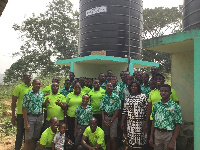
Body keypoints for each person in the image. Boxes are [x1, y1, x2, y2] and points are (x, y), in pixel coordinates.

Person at [144, 73, 179, 150]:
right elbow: (149, 109)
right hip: (155, 122)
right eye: (156, 79)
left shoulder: (172, 91)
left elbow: (176, 110)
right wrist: (146, 123)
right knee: (152, 144)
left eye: (160, 79)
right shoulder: (152, 93)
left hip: (169, 126)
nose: (158, 80)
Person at [149, 84, 182, 150]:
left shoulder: (175, 106)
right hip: (157, 134)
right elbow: (154, 120)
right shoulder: (156, 105)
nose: (163, 93)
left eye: (166, 91)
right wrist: (151, 137)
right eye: (161, 91)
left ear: (170, 93)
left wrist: (172, 141)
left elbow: (178, 124)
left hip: (169, 134)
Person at [121, 81, 148, 150]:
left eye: (135, 86)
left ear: (138, 87)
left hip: (140, 123)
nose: (133, 87)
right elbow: (124, 111)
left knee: (140, 144)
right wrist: (122, 122)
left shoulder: (143, 97)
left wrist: (146, 123)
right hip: (130, 123)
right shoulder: (127, 98)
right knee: (131, 143)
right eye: (132, 86)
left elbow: (147, 111)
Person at [11, 72, 32, 150]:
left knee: (28, 135)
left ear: (31, 77)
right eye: (25, 76)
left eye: (28, 76)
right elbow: (13, 102)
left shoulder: (34, 87)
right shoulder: (18, 88)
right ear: (23, 78)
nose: (27, 77)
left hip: (31, 114)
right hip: (21, 114)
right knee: (20, 134)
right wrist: (13, 116)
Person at [22, 79, 44, 150]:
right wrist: (26, 122)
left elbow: (41, 105)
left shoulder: (41, 94)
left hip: (39, 118)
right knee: (28, 138)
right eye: (36, 84)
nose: (38, 85)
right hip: (30, 118)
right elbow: (24, 108)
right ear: (32, 84)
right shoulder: (27, 95)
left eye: (39, 84)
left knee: (35, 138)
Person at [99, 82, 121, 150]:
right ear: (105, 88)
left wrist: (111, 120)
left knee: (112, 138)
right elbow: (102, 109)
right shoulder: (104, 97)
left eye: (110, 86)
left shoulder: (116, 97)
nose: (109, 87)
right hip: (105, 118)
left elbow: (118, 109)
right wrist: (103, 120)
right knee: (107, 137)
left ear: (113, 87)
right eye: (107, 86)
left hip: (113, 118)